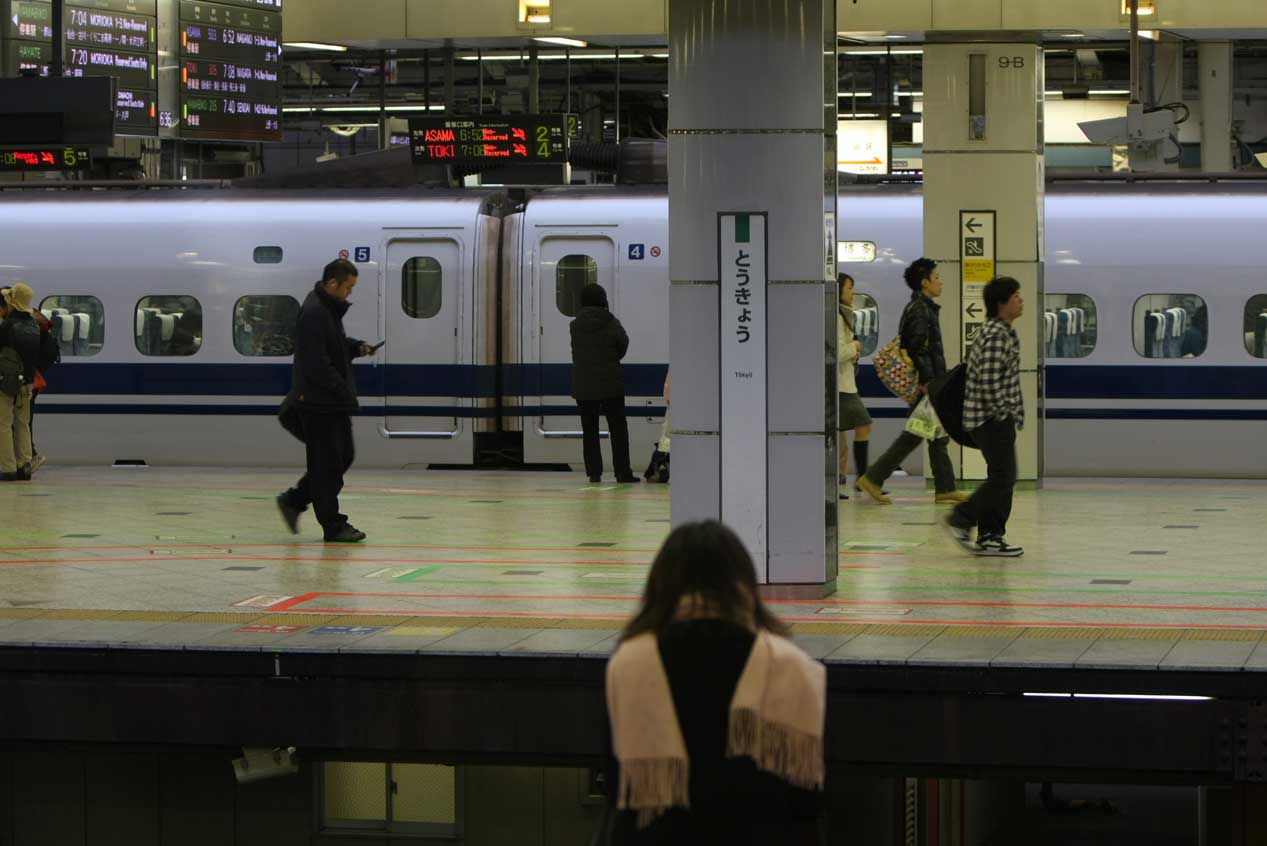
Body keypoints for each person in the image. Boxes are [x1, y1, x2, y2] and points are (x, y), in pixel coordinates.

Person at [603, 521, 825, 845]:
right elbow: (808, 801)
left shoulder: (630, 665)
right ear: (744, 583)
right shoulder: (791, 668)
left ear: (660, 585)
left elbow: (616, 789)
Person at [276, 259, 376, 543]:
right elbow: (316, 363)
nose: (350, 293)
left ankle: (294, 500)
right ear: (333, 282)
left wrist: (356, 347)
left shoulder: (326, 310)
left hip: (328, 402)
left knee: (340, 458)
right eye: (348, 287)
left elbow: (332, 344)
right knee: (327, 464)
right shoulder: (314, 313)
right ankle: (332, 525)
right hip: (317, 405)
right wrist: (343, 390)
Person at [857, 258, 966, 506]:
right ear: (925, 282)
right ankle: (873, 478)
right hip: (928, 382)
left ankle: (945, 488)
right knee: (916, 435)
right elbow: (916, 348)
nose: (940, 282)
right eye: (936, 277)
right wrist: (929, 380)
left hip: (931, 380)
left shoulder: (923, 307)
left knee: (933, 434)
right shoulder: (919, 309)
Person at [944, 276, 1026, 557]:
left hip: (993, 418)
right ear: (1002, 304)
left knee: (1002, 477)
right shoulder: (995, 336)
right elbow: (989, 382)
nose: (1020, 300)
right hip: (990, 419)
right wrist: (1003, 413)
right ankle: (962, 516)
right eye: (1015, 295)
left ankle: (991, 535)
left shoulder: (1003, 331)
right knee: (1003, 478)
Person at [570, 283, 638, 484]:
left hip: (584, 384)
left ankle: (594, 473)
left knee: (589, 429)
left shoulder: (575, 325)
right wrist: (611, 358)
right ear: (603, 299)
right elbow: (623, 344)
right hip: (611, 383)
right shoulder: (611, 321)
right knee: (618, 427)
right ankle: (622, 472)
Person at [0, 283, 44, 482]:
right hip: (27, 382)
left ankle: (7, 468)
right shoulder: (34, 325)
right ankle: (24, 466)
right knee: (22, 424)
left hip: (6, 383)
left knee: (3, 424)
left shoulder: (8, 325)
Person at [836, 273, 872, 499]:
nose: (852, 294)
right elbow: (839, 352)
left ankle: (850, 479)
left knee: (841, 440)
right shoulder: (838, 318)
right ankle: (861, 479)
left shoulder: (844, 315)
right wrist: (856, 346)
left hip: (845, 383)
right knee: (863, 423)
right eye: (849, 289)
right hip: (840, 386)